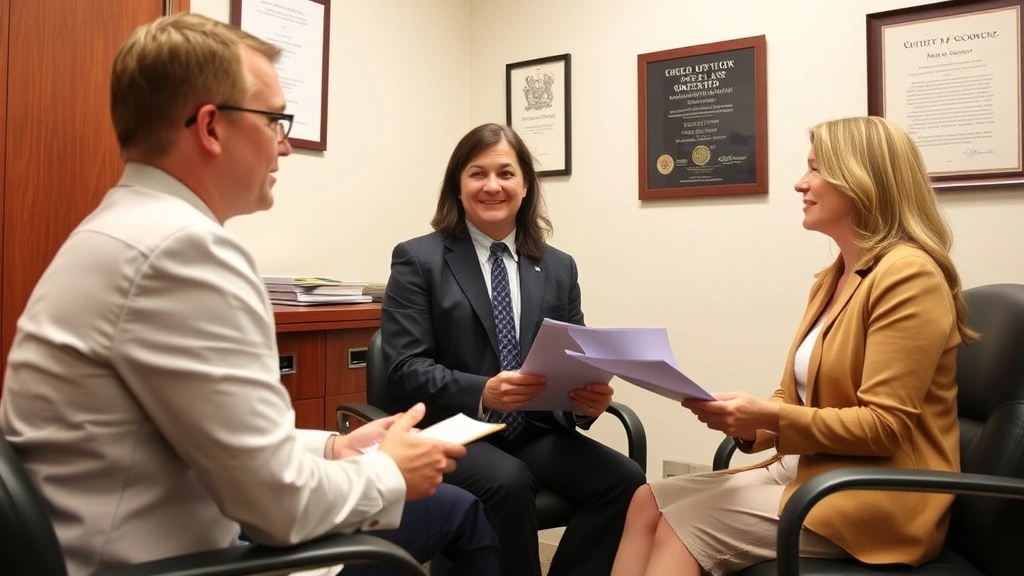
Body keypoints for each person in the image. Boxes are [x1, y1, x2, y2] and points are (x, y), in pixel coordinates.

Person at [0, 13, 500, 576]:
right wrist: (391, 472)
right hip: (178, 561)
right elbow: (278, 509)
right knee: (456, 512)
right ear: (211, 128)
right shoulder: (185, 254)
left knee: (452, 505)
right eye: (274, 120)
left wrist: (334, 448)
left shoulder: (117, 229)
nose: (283, 146)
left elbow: (221, 437)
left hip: (127, 535)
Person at [611, 115, 976, 576]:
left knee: (684, 524)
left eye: (816, 170)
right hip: (810, 469)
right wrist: (745, 426)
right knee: (646, 500)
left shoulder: (910, 275)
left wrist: (766, 416)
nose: (800, 184)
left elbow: (884, 427)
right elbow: (793, 397)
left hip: (876, 496)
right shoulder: (834, 278)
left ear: (863, 181)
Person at [381, 122, 647, 576]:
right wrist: (484, 391)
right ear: (457, 185)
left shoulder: (558, 266)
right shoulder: (418, 259)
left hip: (533, 429)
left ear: (525, 185)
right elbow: (404, 368)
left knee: (625, 482)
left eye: (506, 173)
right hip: (455, 428)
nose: (492, 186)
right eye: (477, 174)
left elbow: (574, 359)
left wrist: (586, 403)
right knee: (508, 482)